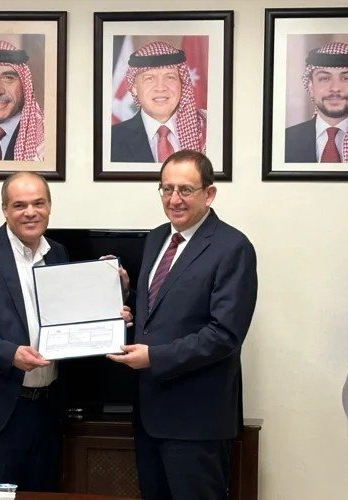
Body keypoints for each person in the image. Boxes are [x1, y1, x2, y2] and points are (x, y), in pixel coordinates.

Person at [0, 171, 132, 492]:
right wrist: (10, 354)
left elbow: (70, 315)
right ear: (5, 209)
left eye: (38, 203)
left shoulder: (58, 253)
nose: (30, 212)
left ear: (49, 206)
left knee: (44, 494)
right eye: (19, 205)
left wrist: (113, 307)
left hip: (47, 409)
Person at [107, 150, 258, 500]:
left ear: (209, 194)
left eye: (186, 190)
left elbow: (225, 334)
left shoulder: (232, 247)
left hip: (197, 420)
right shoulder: (156, 238)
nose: (174, 199)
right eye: (167, 189)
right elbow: (161, 311)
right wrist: (127, 300)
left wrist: (154, 357)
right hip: (150, 413)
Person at [285, 41, 348, 163]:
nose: (335, 88)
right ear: (310, 87)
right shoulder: (285, 141)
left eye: (346, 78)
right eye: (324, 78)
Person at [111, 41, 206, 163]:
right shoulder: (111, 140)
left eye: (170, 77)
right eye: (149, 79)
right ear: (134, 87)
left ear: (182, 83)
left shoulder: (206, 131)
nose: (160, 88)